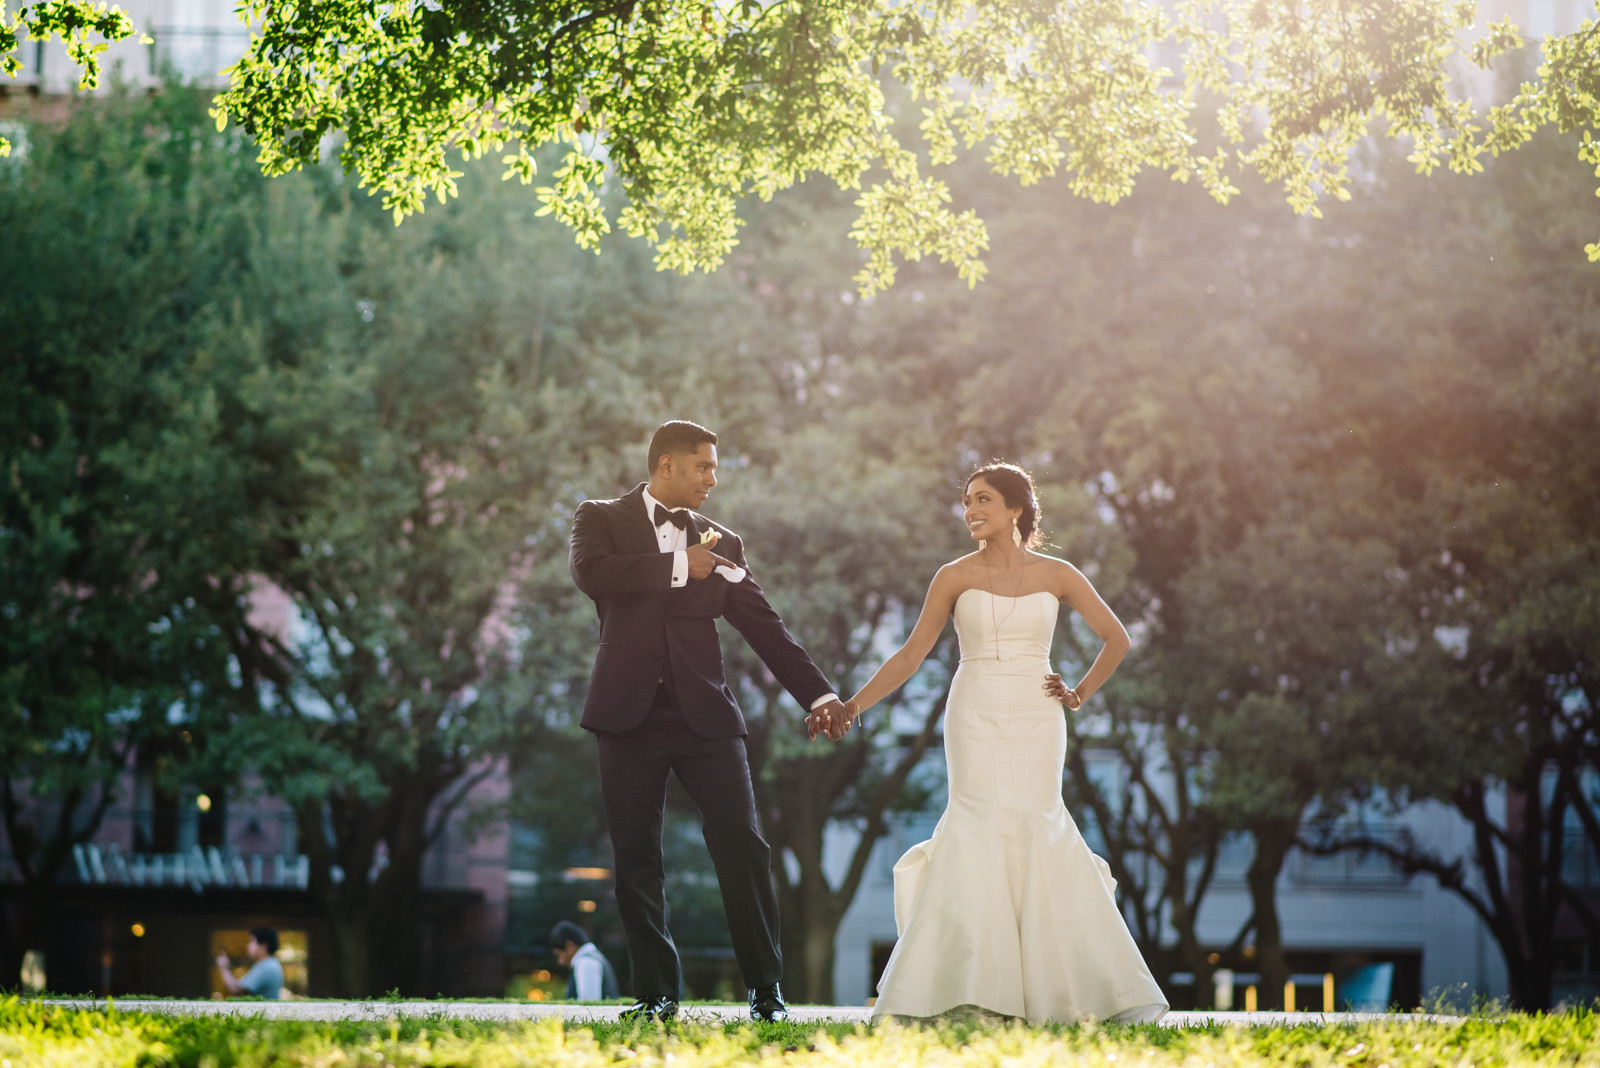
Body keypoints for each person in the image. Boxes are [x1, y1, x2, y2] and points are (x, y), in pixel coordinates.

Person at [840, 462, 1168, 1024]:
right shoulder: (952, 576)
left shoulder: (1059, 574)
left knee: (1040, 823)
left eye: (983, 500)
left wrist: (1080, 692)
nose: (971, 510)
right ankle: (965, 989)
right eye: (967, 501)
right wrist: (854, 705)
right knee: (976, 823)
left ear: (1016, 508)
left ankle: (1064, 992)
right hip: (975, 711)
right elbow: (911, 655)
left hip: (1038, 713)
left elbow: (1117, 638)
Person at [568, 420, 851, 1023]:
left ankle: (766, 992)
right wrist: (677, 567)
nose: (712, 480)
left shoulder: (725, 544)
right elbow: (593, 574)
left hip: (707, 719)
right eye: (703, 467)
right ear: (666, 465)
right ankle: (656, 995)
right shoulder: (599, 518)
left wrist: (819, 694)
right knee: (637, 856)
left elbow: (764, 626)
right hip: (626, 717)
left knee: (744, 849)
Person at [550, 920, 621, 1001]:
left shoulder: (586, 962)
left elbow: (588, 1005)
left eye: (559, 954)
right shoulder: (593, 957)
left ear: (569, 946)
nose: (560, 962)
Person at [214, 926, 284, 999]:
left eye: (252, 941)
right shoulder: (267, 964)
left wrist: (224, 968)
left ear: (264, 946)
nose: (248, 945)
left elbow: (237, 991)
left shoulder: (267, 967)